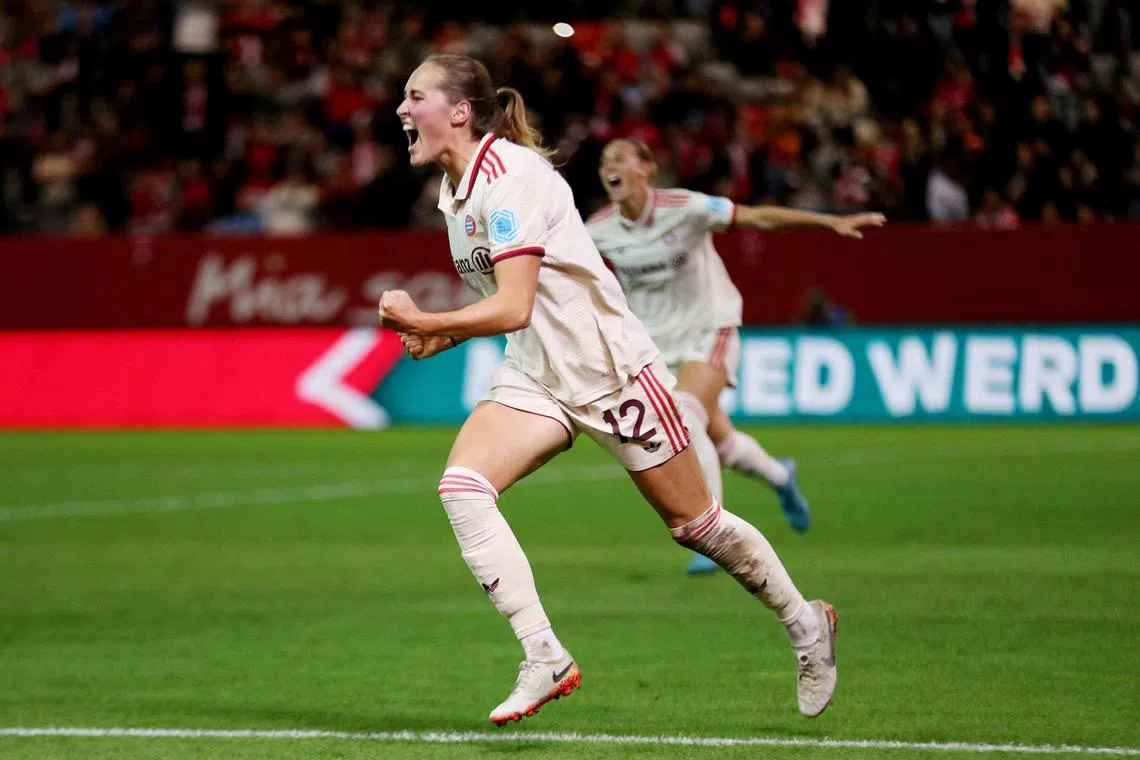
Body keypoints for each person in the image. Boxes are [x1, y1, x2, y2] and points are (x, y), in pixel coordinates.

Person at [380, 53, 838, 726]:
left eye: (413, 95)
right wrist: (441, 338)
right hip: (537, 374)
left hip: (611, 373)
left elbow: (512, 304)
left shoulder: (510, 180)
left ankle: (807, 626)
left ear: (459, 112)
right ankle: (544, 655)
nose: (400, 109)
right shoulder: (457, 193)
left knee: (698, 526)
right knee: (463, 488)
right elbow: (519, 312)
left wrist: (429, 320)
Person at [588, 139, 885, 574]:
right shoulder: (598, 229)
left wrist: (828, 221)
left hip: (711, 327)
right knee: (719, 440)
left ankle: (713, 532)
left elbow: (758, 217)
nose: (609, 166)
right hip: (654, 345)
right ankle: (782, 478)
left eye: (620, 157)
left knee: (685, 419)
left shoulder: (685, 207)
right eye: (603, 161)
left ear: (646, 169)